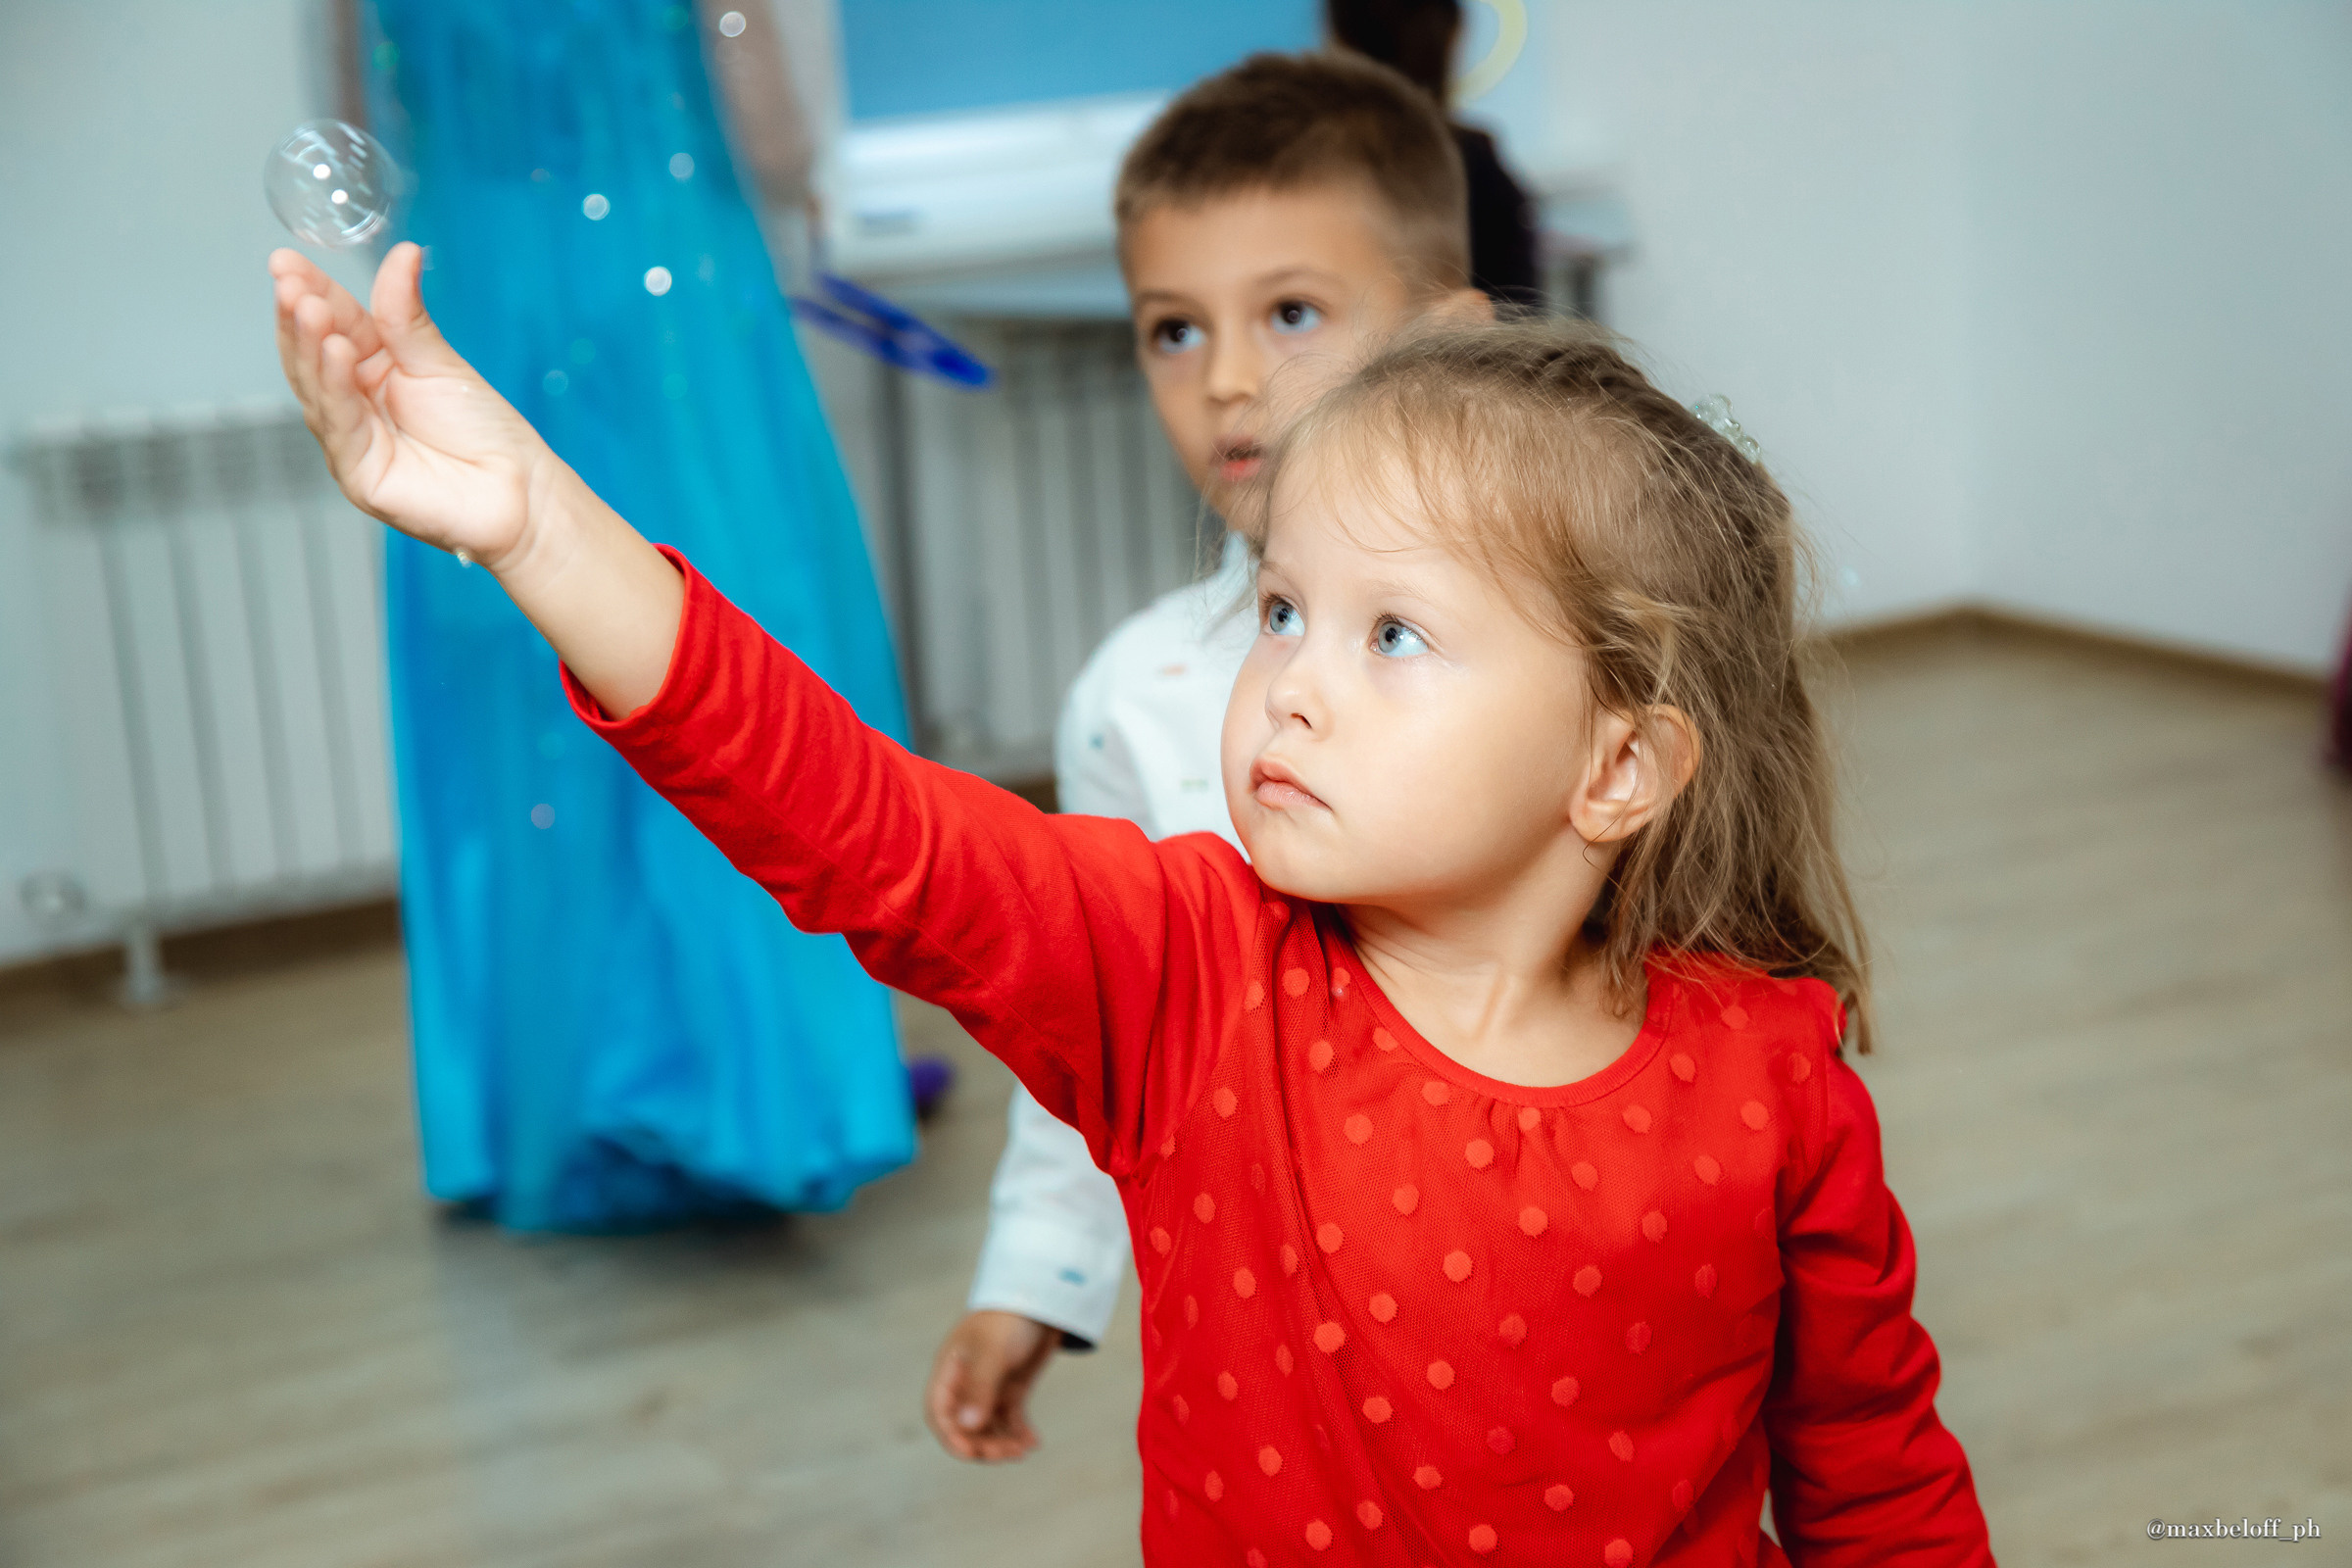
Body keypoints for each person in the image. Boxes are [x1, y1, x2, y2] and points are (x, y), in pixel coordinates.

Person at [270, 242, 1993, 1564]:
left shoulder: (1774, 1078)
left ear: (1618, 768)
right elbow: (854, 817)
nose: (1292, 687)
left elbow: (1878, 1478)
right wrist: (533, 530)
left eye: (1392, 636)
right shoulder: (1188, 973)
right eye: (1283, 612)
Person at [924, 50, 1494, 1465]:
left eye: (1289, 312)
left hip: (1529, 1302)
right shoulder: (1141, 694)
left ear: (1449, 334)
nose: (1229, 379)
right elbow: (1088, 1032)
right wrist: (1037, 1275)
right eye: (1173, 331)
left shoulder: (1551, 655)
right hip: (1253, 1368)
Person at [346, 0, 918, 1228]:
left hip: (479, 300)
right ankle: (762, 1086)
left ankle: (542, 1097)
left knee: (521, 719)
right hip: (673, 321)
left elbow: (371, 131)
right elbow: (774, 145)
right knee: (723, 671)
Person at [1326, 0, 1543, 306]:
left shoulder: (1322, 173)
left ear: (1339, 40)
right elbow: (1524, 321)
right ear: (1452, 35)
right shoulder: (1480, 170)